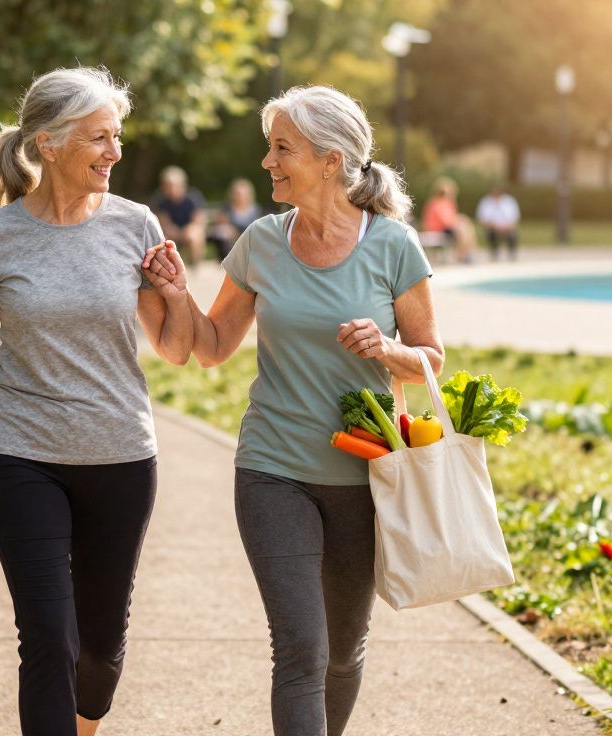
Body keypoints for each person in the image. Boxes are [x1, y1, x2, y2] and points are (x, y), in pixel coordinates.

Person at [143, 85, 443, 736]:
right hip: (272, 470)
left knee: (341, 652)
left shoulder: (393, 245)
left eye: (282, 149)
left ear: (331, 160)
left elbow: (431, 360)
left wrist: (389, 348)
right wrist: (175, 294)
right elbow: (214, 347)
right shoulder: (262, 243)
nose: (268, 163)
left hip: (366, 479)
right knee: (301, 649)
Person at [0, 67, 192, 736]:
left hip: (120, 455)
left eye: (117, 136)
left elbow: (175, 348)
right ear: (48, 145)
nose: (116, 152)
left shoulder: (136, 225)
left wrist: (179, 294)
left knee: (99, 649)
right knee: (47, 635)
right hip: (22, 455)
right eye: (99, 138)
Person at [152, 165, 208, 264]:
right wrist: (174, 231)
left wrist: (188, 230)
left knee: (193, 236)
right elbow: (164, 221)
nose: (166, 188)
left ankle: (195, 265)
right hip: (172, 231)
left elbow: (199, 220)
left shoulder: (193, 197)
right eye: (165, 185)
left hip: (190, 229)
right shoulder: (161, 200)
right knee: (162, 239)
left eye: (169, 185)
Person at [420, 177, 477, 264]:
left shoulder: (448, 203)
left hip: (445, 228)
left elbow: (451, 217)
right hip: (437, 229)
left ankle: (465, 254)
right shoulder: (435, 203)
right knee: (461, 230)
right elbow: (445, 221)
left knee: (465, 226)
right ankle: (462, 255)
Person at [207, 177, 263, 260]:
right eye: (236, 194)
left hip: (248, 241)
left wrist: (236, 233)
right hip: (230, 243)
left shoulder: (254, 210)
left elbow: (257, 229)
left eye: (241, 194)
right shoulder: (227, 208)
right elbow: (219, 226)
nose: (239, 197)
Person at [476, 184, 520, 261]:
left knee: (513, 234)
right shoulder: (485, 201)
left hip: (507, 228)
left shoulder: (509, 201)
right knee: (491, 234)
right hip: (492, 228)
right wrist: (495, 226)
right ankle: (494, 254)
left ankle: (512, 254)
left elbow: (514, 218)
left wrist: (504, 227)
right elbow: (482, 219)